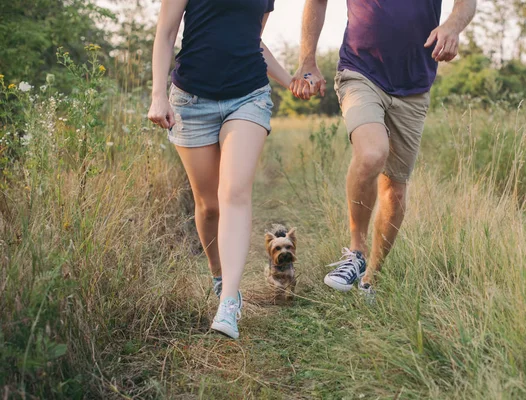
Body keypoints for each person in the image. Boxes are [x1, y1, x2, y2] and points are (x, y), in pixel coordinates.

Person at [291, 0, 477, 295]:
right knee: (372, 153)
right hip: (360, 71)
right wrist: (307, 59)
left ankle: (370, 279)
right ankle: (356, 252)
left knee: (396, 188)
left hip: (414, 86)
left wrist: (453, 26)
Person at [148, 0, 292, 339]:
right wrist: (158, 95)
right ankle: (218, 274)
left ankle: (229, 300)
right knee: (209, 205)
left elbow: (252, 40)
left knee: (234, 193)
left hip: (249, 96)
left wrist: (289, 80)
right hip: (191, 101)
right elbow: (166, 32)